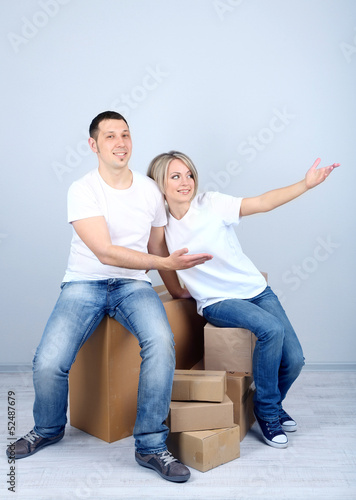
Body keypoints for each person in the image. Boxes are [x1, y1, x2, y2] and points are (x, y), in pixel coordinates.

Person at [6, 112, 212, 483]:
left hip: (133, 285)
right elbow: (104, 251)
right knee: (48, 361)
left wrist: (178, 288)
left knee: (161, 342)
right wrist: (162, 261)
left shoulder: (150, 190)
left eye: (126, 135)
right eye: (111, 136)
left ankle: (150, 445)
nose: (120, 143)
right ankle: (49, 429)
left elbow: (157, 246)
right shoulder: (82, 189)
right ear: (94, 145)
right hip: (84, 282)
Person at [147, 150, 340, 449]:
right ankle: (266, 412)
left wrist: (305, 184)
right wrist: (176, 291)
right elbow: (161, 257)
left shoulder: (211, 203)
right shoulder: (160, 223)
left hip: (255, 290)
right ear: (160, 183)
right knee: (270, 330)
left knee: (295, 360)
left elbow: (262, 203)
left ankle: (271, 404)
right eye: (175, 176)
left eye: (189, 175)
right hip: (217, 300)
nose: (186, 182)